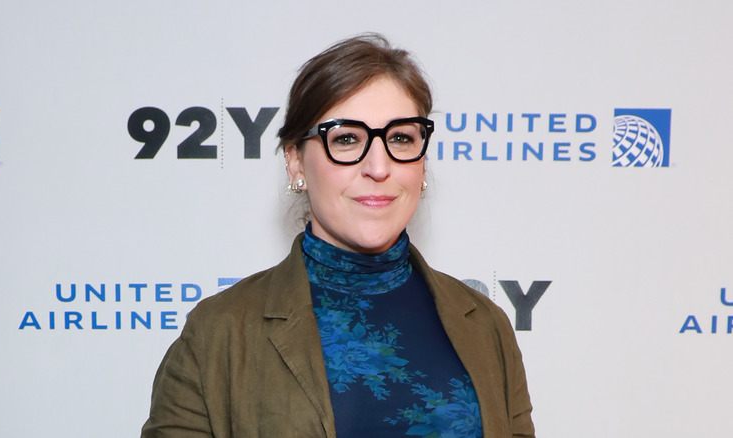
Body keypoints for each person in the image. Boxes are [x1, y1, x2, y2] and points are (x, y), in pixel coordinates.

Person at [141, 33, 535, 438]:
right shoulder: (219, 332)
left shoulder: (487, 325)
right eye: (346, 139)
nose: (378, 167)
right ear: (296, 162)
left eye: (401, 137)